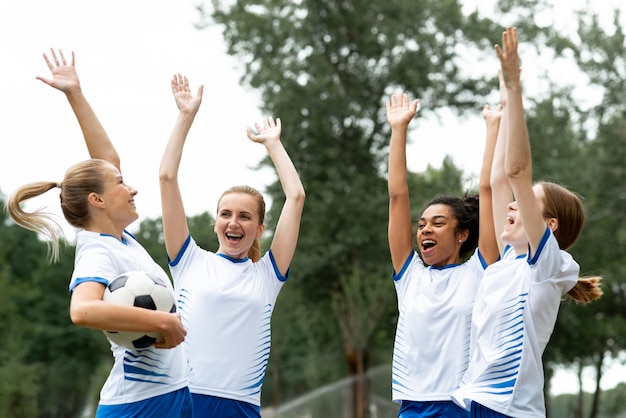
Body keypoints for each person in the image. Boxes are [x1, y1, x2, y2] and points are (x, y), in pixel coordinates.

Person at [6, 48, 193, 417]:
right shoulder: (96, 251)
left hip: (169, 396)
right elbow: (83, 310)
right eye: (122, 184)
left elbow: (107, 158)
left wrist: (75, 94)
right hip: (140, 404)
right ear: (98, 200)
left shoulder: (122, 242)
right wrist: (162, 321)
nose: (133, 189)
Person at [451, 27, 602, 417]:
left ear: (548, 225)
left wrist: (516, 89)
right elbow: (501, 178)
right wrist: (503, 93)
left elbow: (517, 171)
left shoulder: (548, 265)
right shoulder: (508, 260)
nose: (513, 207)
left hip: (510, 409)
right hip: (476, 400)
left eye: (526, 204)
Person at [158, 73, 305, 417]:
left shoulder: (268, 275)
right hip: (184, 399)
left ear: (259, 228)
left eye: (245, 216)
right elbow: (166, 178)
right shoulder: (188, 260)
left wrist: (273, 144)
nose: (234, 222)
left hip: (240, 406)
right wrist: (184, 117)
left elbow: (296, 196)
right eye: (226, 214)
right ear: (216, 222)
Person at [385, 93, 500, 417]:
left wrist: (493, 130)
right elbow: (397, 196)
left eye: (438, 224)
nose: (425, 230)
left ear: (462, 235)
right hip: (411, 405)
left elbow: (489, 190)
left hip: (461, 406)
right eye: (421, 225)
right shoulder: (410, 277)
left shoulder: (479, 271)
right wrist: (398, 129)